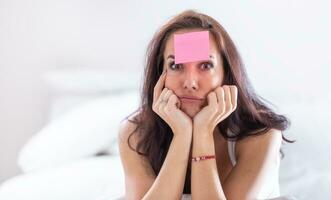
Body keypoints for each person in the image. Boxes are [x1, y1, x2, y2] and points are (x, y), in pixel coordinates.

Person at [118, 9, 294, 200]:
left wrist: (202, 133)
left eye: (205, 66)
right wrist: (183, 135)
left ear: (225, 73)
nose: (190, 83)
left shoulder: (262, 134)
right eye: (176, 66)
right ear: (161, 74)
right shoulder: (135, 131)